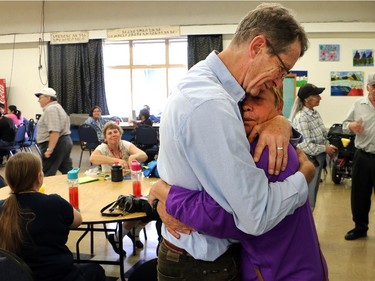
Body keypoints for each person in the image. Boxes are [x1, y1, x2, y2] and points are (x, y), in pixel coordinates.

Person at [154, 3, 312, 280]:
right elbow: (256, 215)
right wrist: (304, 177)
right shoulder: (212, 104)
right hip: (200, 265)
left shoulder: (206, 84)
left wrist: (281, 122)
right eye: (282, 69)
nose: (278, 81)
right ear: (258, 46)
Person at [149, 87, 327, 280]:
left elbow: (229, 218)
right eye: (240, 101)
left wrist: (164, 194)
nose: (246, 107)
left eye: (257, 99)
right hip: (290, 266)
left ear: (279, 106)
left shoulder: (267, 152)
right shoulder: (251, 143)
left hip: (280, 271)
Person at [0, 153, 106, 281]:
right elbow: (78, 221)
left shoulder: (3, 206)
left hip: (17, 275)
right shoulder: (53, 202)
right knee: (95, 270)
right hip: (57, 275)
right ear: (39, 177)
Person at [89, 122, 149, 255]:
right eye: (109, 133)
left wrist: (133, 156)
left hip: (128, 183)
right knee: (136, 206)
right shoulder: (103, 147)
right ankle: (117, 237)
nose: (113, 135)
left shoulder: (125, 144)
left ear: (120, 133)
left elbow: (144, 155)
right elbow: (93, 158)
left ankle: (135, 232)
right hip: (110, 185)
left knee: (151, 203)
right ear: (105, 137)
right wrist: (115, 161)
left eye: (115, 132)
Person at [290, 83, 337, 211]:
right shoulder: (301, 117)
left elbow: (322, 135)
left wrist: (328, 147)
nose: (319, 98)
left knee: (312, 194)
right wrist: (325, 149)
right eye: (316, 95)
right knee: (308, 198)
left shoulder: (314, 114)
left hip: (318, 160)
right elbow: (305, 145)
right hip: (310, 161)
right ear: (306, 99)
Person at [343, 72, 375, 241]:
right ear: (368, 87)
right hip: (362, 157)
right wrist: (351, 125)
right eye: (374, 86)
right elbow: (343, 126)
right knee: (359, 195)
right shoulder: (358, 104)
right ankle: (360, 227)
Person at [35, 87, 73, 176]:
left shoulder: (51, 109)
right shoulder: (57, 107)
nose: (39, 100)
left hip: (55, 144)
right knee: (67, 171)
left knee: (47, 173)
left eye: (40, 97)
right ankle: (74, 187)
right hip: (62, 142)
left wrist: (49, 149)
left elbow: (55, 131)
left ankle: (46, 190)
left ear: (48, 98)